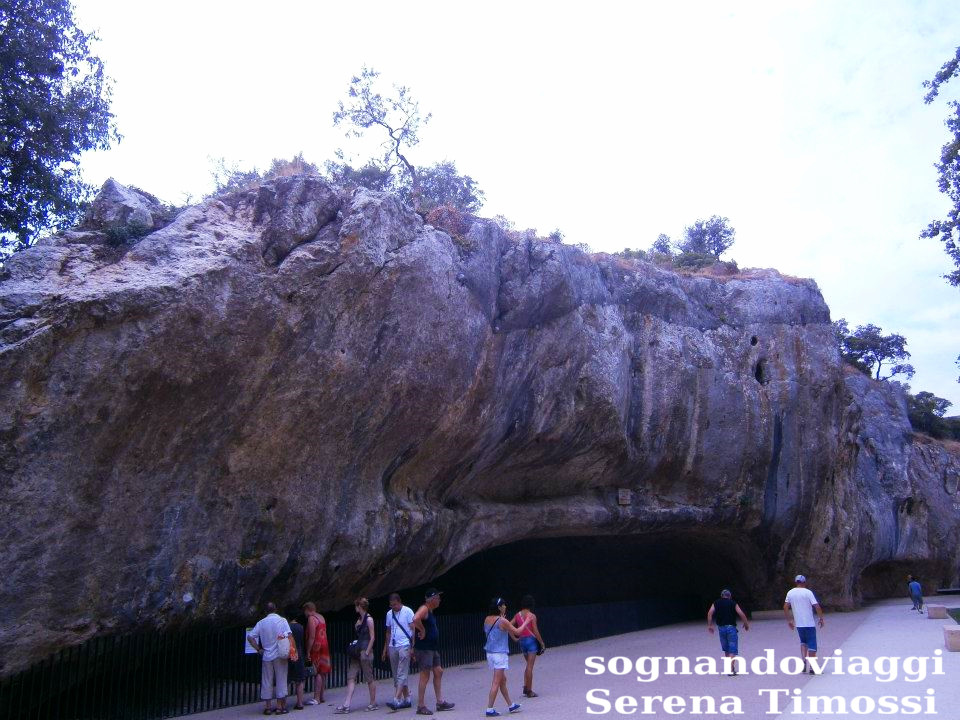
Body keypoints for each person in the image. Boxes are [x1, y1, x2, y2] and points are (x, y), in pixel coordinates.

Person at [484, 597, 532, 716]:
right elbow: (517, 631)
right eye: (503, 605)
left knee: (502, 680)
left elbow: (499, 631)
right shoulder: (502, 621)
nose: (505, 606)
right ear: (499, 607)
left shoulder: (487, 619)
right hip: (499, 654)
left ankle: (511, 705)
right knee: (496, 682)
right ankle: (489, 709)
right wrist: (526, 621)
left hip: (490, 653)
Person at [412, 588, 455, 716]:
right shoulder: (424, 609)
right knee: (425, 676)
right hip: (424, 648)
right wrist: (422, 630)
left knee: (438, 671)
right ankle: (420, 705)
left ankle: (440, 702)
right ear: (432, 599)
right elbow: (415, 619)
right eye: (437, 598)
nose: (439, 600)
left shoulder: (430, 611)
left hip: (432, 647)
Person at [247, 602, 293, 715]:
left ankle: (267, 707)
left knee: (267, 681)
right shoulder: (282, 620)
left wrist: (258, 649)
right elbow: (289, 635)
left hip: (267, 655)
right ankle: (279, 707)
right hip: (280, 654)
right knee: (281, 679)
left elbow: (250, 637)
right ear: (275, 609)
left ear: (265, 611)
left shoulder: (261, 623)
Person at [336, 598, 377, 713]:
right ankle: (347, 703)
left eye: (356, 606)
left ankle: (373, 703)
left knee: (369, 678)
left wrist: (368, 651)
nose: (355, 608)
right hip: (357, 651)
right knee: (351, 677)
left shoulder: (369, 619)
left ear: (359, 606)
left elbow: (372, 637)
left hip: (365, 651)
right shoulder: (359, 620)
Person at [783, 575, 825, 674]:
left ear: (796, 582)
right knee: (812, 645)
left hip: (799, 624)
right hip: (809, 623)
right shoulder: (808, 592)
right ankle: (813, 668)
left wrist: (789, 620)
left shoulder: (790, 592)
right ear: (804, 582)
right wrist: (821, 618)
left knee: (803, 642)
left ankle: (804, 662)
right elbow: (817, 606)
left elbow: (785, 607)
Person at [383, 592, 416, 711]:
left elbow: (413, 629)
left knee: (401, 672)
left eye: (395, 605)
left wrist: (413, 646)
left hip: (404, 645)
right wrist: (386, 648)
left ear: (400, 602)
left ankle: (396, 699)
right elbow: (388, 631)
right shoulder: (389, 614)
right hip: (393, 645)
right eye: (391, 605)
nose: (393, 607)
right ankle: (407, 699)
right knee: (397, 673)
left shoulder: (408, 611)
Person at [706, 589, 750, 675]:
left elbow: (710, 613)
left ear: (721, 596)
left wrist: (710, 625)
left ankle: (730, 668)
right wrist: (746, 624)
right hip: (731, 628)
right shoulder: (732, 603)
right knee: (732, 649)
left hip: (721, 628)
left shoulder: (716, 603)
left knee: (726, 649)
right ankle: (731, 669)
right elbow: (741, 613)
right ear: (729, 596)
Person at [511, 595, 545, 698]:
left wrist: (514, 638)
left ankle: (526, 687)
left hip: (522, 641)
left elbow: (509, 626)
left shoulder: (517, 615)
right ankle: (529, 691)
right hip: (531, 641)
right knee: (530, 667)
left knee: (527, 665)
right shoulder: (532, 616)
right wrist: (542, 642)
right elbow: (535, 630)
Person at [303, 602, 331, 705]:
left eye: (304, 611)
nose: (304, 614)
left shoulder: (311, 619)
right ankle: (322, 696)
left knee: (318, 671)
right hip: (325, 644)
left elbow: (311, 637)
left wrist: (308, 651)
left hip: (317, 646)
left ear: (307, 609)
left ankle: (316, 698)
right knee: (323, 671)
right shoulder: (321, 617)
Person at [288, 619, 307, 710]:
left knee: (286, 679)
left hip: (288, 652)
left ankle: (283, 703)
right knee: (299, 679)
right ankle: (300, 702)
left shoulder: (286, 626)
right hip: (298, 653)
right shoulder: (300, 627)